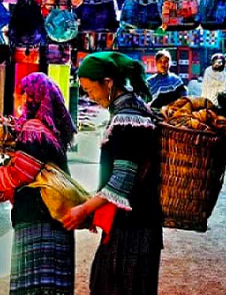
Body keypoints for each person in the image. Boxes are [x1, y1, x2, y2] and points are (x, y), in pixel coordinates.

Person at [63, 52, 162, 295]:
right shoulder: (132, 110)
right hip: (135, 224)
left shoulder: (129, 118)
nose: (90, 97)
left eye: (90, 90)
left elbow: (122, 179)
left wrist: (85, 209)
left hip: (133, 227)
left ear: (108, 83)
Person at [0, 72, 76, 295]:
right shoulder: (51, 131)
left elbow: (20, 173)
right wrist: (4, 192)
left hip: (39, 222)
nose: (17, 98)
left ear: (32, 98)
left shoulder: (34, 130)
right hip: (54, 219)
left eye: (22, 95)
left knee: (36, 286)